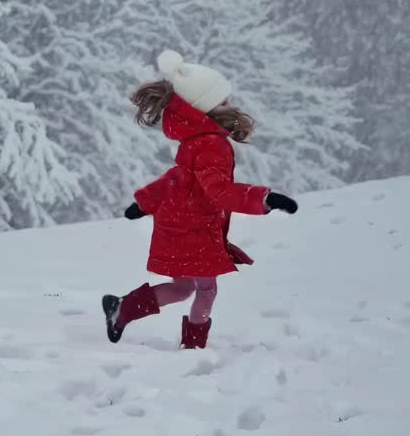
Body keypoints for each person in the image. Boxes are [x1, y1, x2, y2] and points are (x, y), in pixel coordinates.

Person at [102, 50, 298, 350]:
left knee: (183, 288)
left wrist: (146, 202)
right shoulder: (211, 144)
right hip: (193, 228)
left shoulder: (196, 141)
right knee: (205, 289)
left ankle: (122, 309)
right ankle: (193, 348)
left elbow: (178, 178)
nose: (229, 105)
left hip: (179, 223)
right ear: (204, 108)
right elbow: (218, 190)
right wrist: (265, 199)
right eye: (222, 102)